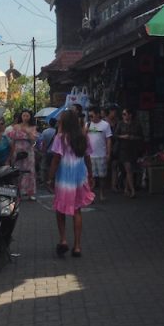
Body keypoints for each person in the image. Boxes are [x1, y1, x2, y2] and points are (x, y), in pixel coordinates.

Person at [47, 109, 94, 257]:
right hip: (79, 177)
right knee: (77, 210)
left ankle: (63, 240)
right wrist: (91, 174)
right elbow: (87, 158)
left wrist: (50, 177)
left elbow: (56, 159)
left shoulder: (60, 138)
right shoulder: (83, 137)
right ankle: (78, 246)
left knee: (60, 209)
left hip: (64, 178)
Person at [8, 110, 38, 200]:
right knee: (18, 171)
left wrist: (27, 131)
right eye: (23, 115)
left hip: (28, 151)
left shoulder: (32, 127)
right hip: (17, 150)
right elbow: (12, 140)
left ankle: (30, 193)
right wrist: (12, 153)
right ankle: (18, 193)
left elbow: (33, 140)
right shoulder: (16, 127)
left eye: (27, 115)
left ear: (30, 117)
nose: (25, 117)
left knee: (30, 171)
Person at [85, 106, 113, 202]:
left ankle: (101, 194)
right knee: (91, 177)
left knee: (102, 176)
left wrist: (108, 153)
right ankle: (91, 196)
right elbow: (83, 138)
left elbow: (109, 139)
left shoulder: (105, 125)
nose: (91, 118)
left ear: (98, 114)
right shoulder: (87, 125)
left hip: (101, 154)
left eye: (92, 116)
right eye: (89, 116)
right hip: (90, 155)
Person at [114, 108, 143, 198]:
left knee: (129, 171)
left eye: (125, 114)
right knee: (128, 169)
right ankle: (133, 190)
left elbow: (141, 136)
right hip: (123, 149)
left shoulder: (136, 124)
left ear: (130, 115)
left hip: (133, 149)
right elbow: (115, 135)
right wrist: (123, 136)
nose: (124, 116)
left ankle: (126, 188)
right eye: (123, 114)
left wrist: (133, 137)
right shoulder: (120, 124)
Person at [36, 117, 58, 183]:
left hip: (47, 151)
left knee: (44, 166)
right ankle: (52, 179)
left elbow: (42, 142)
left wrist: (42, 150)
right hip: (55, 152)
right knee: (53, 166)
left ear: (49, 123)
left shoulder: (45, 131)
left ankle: (44, 180)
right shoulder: (56, 132)